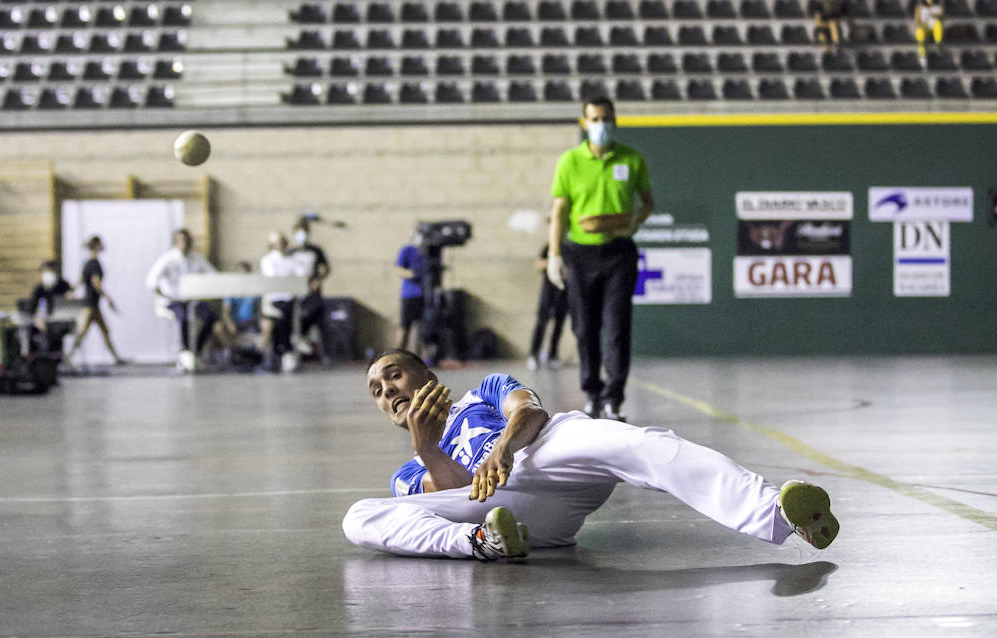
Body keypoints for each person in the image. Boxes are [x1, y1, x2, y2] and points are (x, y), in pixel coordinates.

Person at [342, 350, 840, 561]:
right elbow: (455, 490)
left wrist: (502, 449)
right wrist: (427, 448)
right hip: (515, 515)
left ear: (427, 377)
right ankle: (482, 544)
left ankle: (779, 514)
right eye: (377, 391)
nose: (386, 390)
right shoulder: (409, 469)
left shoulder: (484, 391)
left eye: (393, 376)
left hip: (548, 451)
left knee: (647, 444)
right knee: (359, 517)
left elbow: (529, 412)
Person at [546, 96, 654, 421]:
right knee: (584, 327)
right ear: (585, 123)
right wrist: (554, 255)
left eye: (606, 118)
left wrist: (633, 221)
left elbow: (647, 202)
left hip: (619, 253)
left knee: (618, 326)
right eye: (594, 119)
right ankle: (592, 393)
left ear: (615, 120)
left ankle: (614, 399)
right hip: (580, 254)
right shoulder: (570, 161)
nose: (601, 125)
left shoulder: (632, 159)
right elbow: (559, 212)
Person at [146, 228, 218, 372]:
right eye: (180, 241)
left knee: (211, 316)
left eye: (186, 241)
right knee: (184, 316)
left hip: (193, 300)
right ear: (175, 242)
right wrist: (167, 296)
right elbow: (151, 281)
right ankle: (185, 351)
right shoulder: (167, 259)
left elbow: (213, 275)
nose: (184, 244)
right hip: (174, 301)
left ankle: (195, 350)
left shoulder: (196, 258)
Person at [66, 237, 125, 366]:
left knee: (104, 331)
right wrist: (108, 298)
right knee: (82, 332)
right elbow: (96, 283)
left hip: (93, 304)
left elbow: (81, 279)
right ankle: (68, 356)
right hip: (91, 304)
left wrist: (74, 290)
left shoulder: (87, 263)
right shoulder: (94, 264)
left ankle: (116, 358)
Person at [289, 218, 331, 357]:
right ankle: (297, 338)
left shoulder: (316, 250)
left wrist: (318, 281)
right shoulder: (291, 252)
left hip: (311, 288)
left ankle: (303, 335)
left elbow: (326, 268)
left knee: (316, 308)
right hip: (295, 289)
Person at [259, 231, 300, 371]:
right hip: (273, 299)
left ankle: (285, 349)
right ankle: (282, 349)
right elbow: (274, 278)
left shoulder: (291, 260)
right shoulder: (267, 260)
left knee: (289, 311)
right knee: (280, 314)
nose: (280, 246)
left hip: (288, 298)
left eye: (282, 242)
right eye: (277, 243)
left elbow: (299, 275)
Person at [527, 244, 568, 371]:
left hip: (565, 288)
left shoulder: (569, 247)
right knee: (542, 322)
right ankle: (533, 355)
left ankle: (552, 355)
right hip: (549, 288)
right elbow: (539, 264)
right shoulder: (549, 246)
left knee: (559, 323)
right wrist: (554, 263)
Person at [28, 259, 72, 349]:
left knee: (59, 331)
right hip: (46, 319)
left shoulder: (63, 285)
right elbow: (32, 308)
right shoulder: (39, 288)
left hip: (62, 319)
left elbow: (71, 301)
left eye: (51, 271)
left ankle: (58, 354)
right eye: (46, 271)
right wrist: (36, 319)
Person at [394, 229, 426, 353]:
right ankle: (398, 356)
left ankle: (417, 359)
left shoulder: (427, 253)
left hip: (424, 295)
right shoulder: (407, 250)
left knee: (421, 329)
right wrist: (411, 274)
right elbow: (399, 269)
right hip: (409, 295)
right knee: (404, 327)